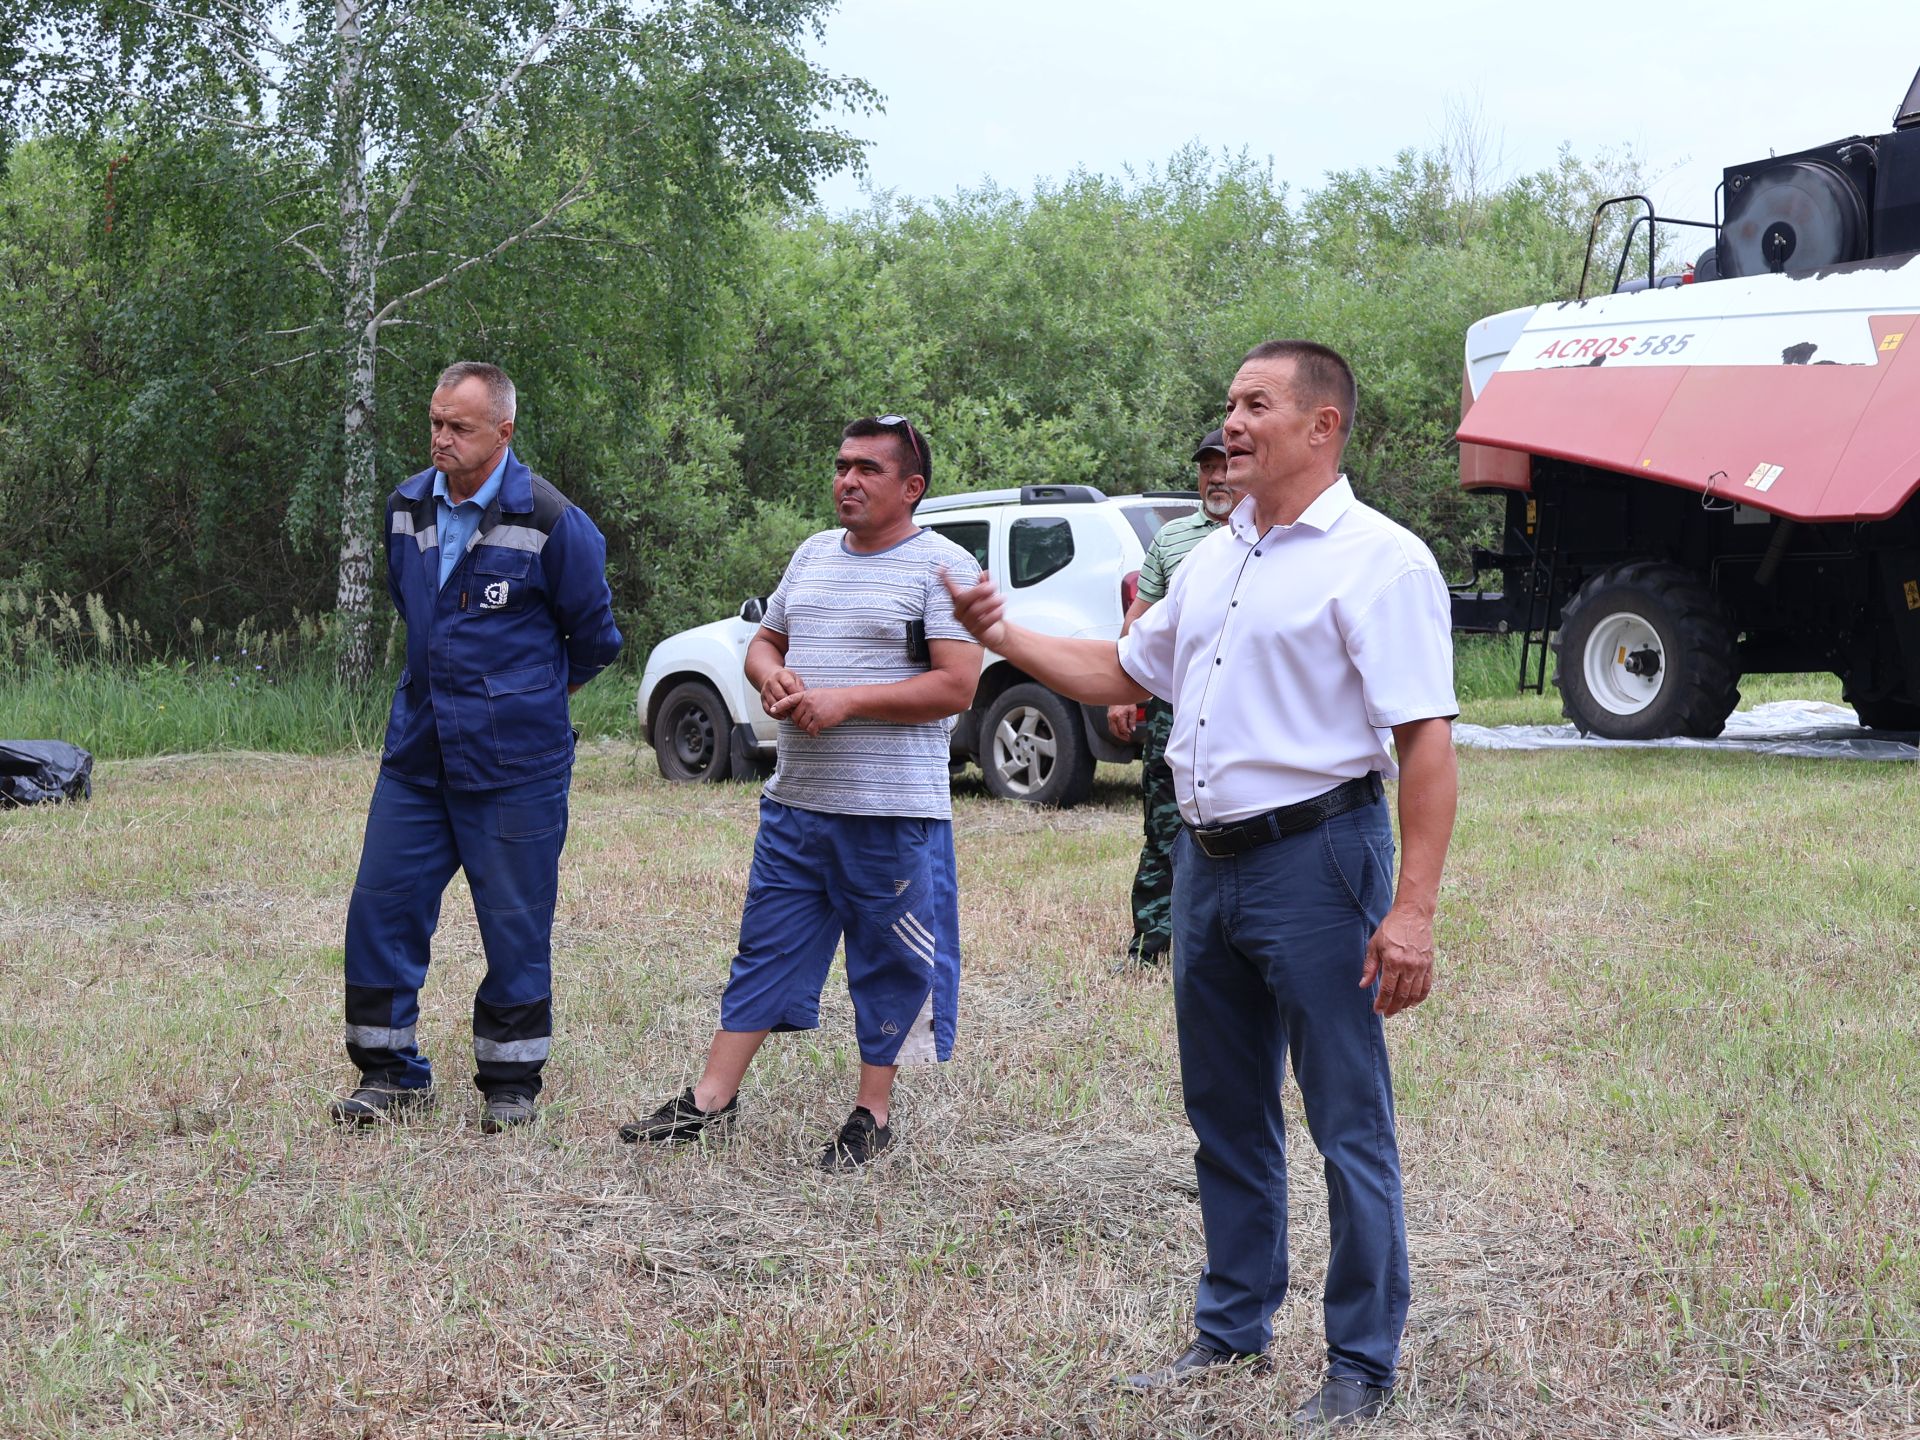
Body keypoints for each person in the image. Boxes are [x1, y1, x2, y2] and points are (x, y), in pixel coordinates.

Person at [943, 342, 1458, 1429]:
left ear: (1322, 427)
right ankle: (1231, 1331)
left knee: (1346, 1121)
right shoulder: (1221, 556)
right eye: (1228, 401)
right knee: (1224, 1112)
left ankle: (1360, 1363)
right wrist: (1005, 636)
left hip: (1320, 861)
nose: (1232, 420)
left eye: (1255, 403)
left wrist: (1411, 911)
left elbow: (1424, 744)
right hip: (1206, 863)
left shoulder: (1382, 561)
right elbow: (1124, 671)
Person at [620, 416, 983, 1172]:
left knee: (890, 964)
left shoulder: (944, 567)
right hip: (797, 803)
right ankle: (711, 1099)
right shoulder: (813, 553)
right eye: (842, 465)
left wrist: (846, 701)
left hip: (893, 812)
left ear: (911, 488)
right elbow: (764, 641)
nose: (846, 480)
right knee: (766, 950)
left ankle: (871, 1113)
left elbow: (957, 685)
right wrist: (768, 675)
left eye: (867, 470)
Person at [330, 362, 623, 1134]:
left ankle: (510, 1081)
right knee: (381, 909)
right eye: (435, 422)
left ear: (504, 432)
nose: (441, 439)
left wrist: (523, 702)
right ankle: (390, 1073)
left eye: (459, 427)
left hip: (515, 766)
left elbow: (593, 639)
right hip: (419, 755)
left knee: (515, 922)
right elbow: (414, 609)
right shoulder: (405, 507)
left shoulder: (556, 523)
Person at [1106, 427, 1236, 968]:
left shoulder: (1275, 535)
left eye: (1226, 465)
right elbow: (1138, 620)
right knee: (1163, 824)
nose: (1217, 477)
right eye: (1208, 466)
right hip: (1170, 704)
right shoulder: (1173, 538)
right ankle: (1151, 944)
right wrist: (1119, 692)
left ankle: (1223, 942)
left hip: (1234, 706)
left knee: (1231, 828)